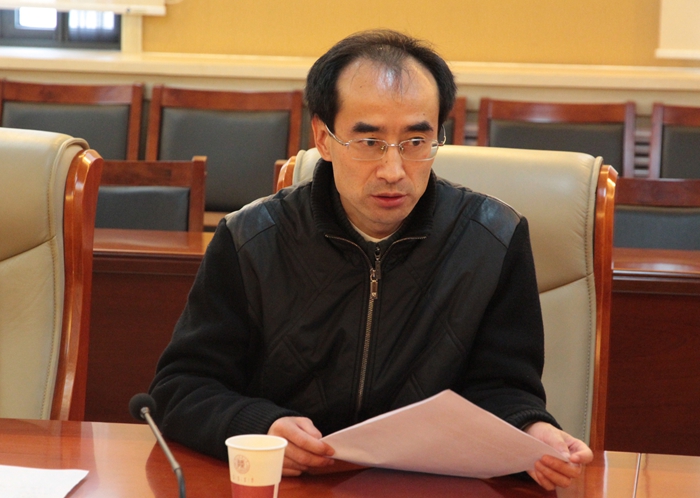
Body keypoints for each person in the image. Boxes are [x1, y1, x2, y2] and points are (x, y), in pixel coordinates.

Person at [149, 29, 593, 490]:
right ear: (323, 138)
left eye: (415, 141)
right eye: (369, 142)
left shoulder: (493, 239)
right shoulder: (250, 239)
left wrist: (531, 430)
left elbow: (503, 390)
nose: (394, 171)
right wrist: (262, 425)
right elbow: (180, 389)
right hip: (297, 486)